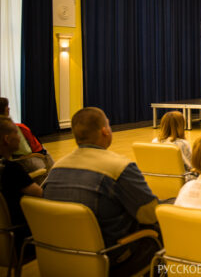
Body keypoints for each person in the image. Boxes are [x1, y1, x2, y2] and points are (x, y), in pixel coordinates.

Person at [43, 107, 160, 276]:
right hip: (111, 258)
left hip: (60, 257)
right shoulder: (119, 167)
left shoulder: (55, 169)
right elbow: (150, 215)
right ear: (105, 131)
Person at [0, 116, 43, 252]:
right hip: (21, 237)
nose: (20, 138)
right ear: (7, 139)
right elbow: (41, 195)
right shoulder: (11, 169)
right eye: (17, 133)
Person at [0, 97, 54, 171]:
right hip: (24, 160)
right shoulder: (14, 128)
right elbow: (26, 151)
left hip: (10, 160)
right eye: (7, 107)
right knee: (46, 155)